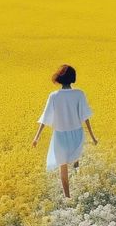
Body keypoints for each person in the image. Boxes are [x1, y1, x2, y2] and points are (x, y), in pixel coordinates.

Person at [32, 64, 97, 198]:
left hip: (60, 136)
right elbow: (85, 117)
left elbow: (46, 117)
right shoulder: (79, 94)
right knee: (75, 157)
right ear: (73, 78)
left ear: (59, 78)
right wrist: (92, 136)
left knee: (63, 167)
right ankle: (78, 177)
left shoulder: (54, 96)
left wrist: (36, 137)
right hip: (77, 134)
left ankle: (67, 196)